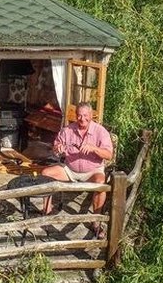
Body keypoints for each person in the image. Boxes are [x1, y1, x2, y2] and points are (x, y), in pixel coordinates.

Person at [41, 102, 113, 238]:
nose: (82, 119)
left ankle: (96, 222)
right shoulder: (68, 130)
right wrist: (58, 149)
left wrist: (94, 148)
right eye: (79, 115)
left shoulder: (100, 131)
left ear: (91, 116)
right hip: (70, 169)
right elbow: (56, 147)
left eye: (85, 115)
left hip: (92, 171)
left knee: (101, 182)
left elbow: (109, 155)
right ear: (76, 116)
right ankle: (47, 212)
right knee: (46, 174)